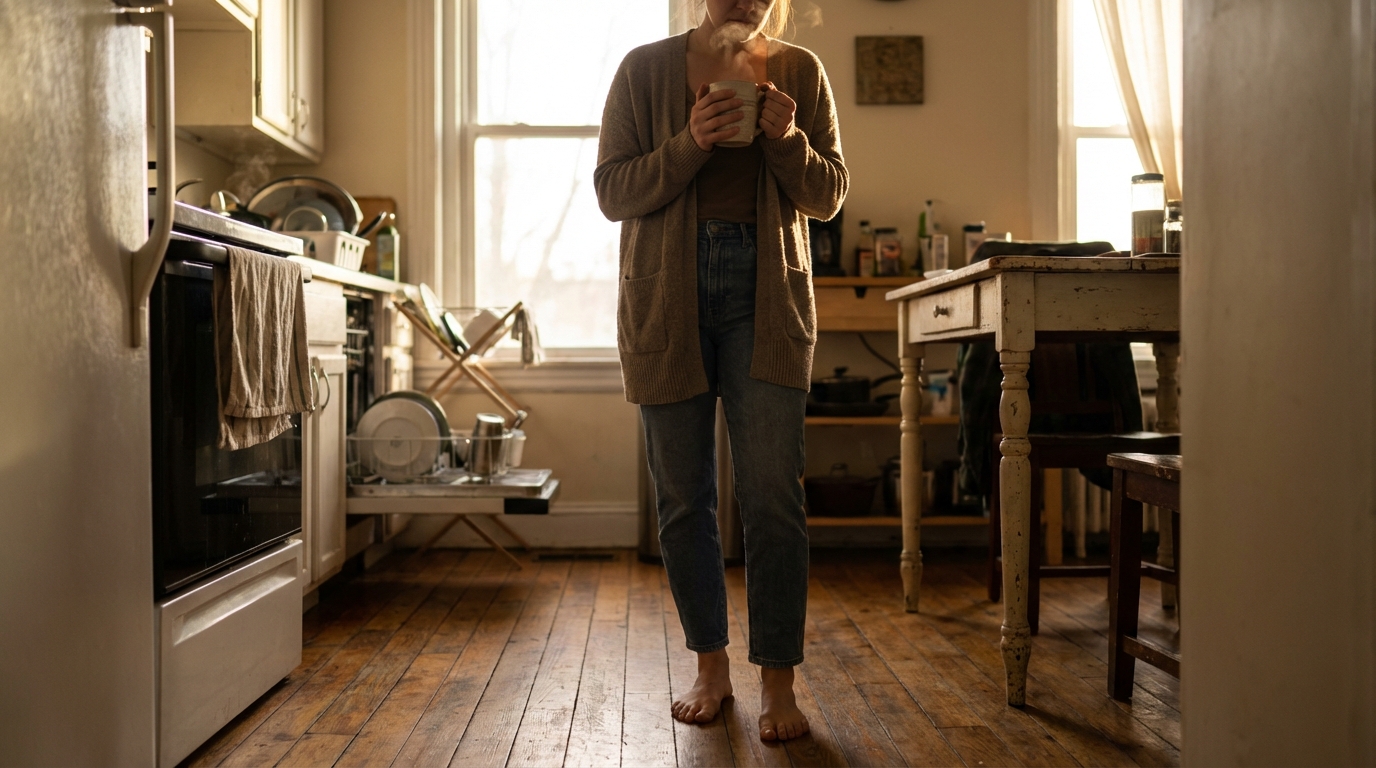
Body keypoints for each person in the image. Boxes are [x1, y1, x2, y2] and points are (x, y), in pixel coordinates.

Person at [594, 0, 847, 743]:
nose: (745, 0)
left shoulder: (801, 70)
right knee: (683, 497)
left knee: (772, 495)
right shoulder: (643, 71)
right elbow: (613, 192)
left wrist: (787, 138)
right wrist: (690, 142)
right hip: (666, 297)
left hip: (768, 297)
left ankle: (778, 679)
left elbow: (827, 195)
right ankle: (710, 665)